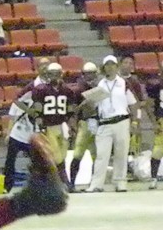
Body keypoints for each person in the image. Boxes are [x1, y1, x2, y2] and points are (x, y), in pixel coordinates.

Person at [86, 55, 138, 193]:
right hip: (105, 122)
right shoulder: (99, 84)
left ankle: (120, 182)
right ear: (104, 68)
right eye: (107, 65)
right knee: (102, 155)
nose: (110, 67)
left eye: (112, 64)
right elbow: (93, 106)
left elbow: (133, 103)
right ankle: (97, 184)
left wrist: (134, 121)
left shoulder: (124, 83)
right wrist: (90, 102)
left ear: (116, 66)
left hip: (121, 121)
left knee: (121, 154)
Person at [29, 63, 75, 186]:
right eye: (51, 74)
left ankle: (57, 182)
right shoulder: (41, 90)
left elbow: (70, 111)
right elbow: (38, 111)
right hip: (48, 126)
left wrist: (71, 126)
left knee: (62, 155)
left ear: (61, 74)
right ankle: (65, 182)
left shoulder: (67, 91)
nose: (54, 76)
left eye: (56, 74)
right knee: (57, 156)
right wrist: (41, 125)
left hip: (62, 125)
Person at [68, 62, 100, 191]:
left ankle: (94, 183)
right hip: (85, 122)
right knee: (78, 153)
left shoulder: (100, 87)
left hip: (97, 122)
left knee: (97, 155)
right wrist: (73, 125)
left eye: (92, 73)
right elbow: (73, 110)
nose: (90, 76)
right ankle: (72, 183)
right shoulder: (78, 90)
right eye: (88, 73)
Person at [3, 90, 37, 193]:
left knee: (36, 162)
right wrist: (8, 134)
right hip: (16, 134)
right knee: (10, 161)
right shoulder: (17, 103)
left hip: (31, 137)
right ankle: (7, 185)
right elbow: (12, 119)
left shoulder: (38, 103)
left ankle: (36, 185)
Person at [145, 61, 163, 188]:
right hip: (162, 121)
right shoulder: (156, 87)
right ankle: (153, 178)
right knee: (158, 150)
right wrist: (153, 122)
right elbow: (148, 105)